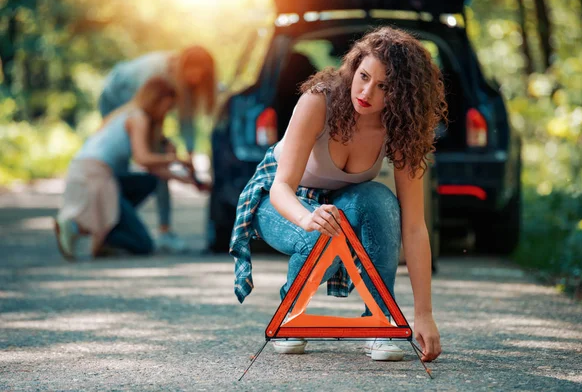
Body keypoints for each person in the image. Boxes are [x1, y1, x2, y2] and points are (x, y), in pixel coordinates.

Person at [230, 26, 447, 362]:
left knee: (380, 199)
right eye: (363, 76)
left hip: (337, 207)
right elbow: (281, 188)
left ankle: (378, 318)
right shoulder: (319, 100)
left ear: (403, 94)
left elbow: (415, 227)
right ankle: (292, 313)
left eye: (384, 86)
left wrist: (424, 315)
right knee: (323, 232)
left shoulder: (400, 128)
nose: (366, 92)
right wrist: (308, 216)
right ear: (353, 67)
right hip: (281, 200)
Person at [54, 77, 197, 260]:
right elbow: (143, 158)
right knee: (143, 244)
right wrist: (176, 160)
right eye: (167, 107)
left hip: (83, 171)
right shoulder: (139, 118)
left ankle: (108, 230)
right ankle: (75, 226)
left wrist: (188, 181)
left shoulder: (124, 114)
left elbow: (153, 170)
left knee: (148, 182)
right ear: (157, 100)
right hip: (95, 175)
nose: (166, 113)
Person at [98, 45, 216, 253]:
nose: (196, 79)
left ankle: (162, 230)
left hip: (141, 105)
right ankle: (110, 221)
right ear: (183, 67)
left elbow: (186, 124)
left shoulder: (187, 87)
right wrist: (166, 151)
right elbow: (144, 110)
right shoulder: (156, 74)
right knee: (140, 161)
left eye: (202, 75)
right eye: (193, 72)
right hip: (116, 95)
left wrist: (190, 164)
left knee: (159, 157)